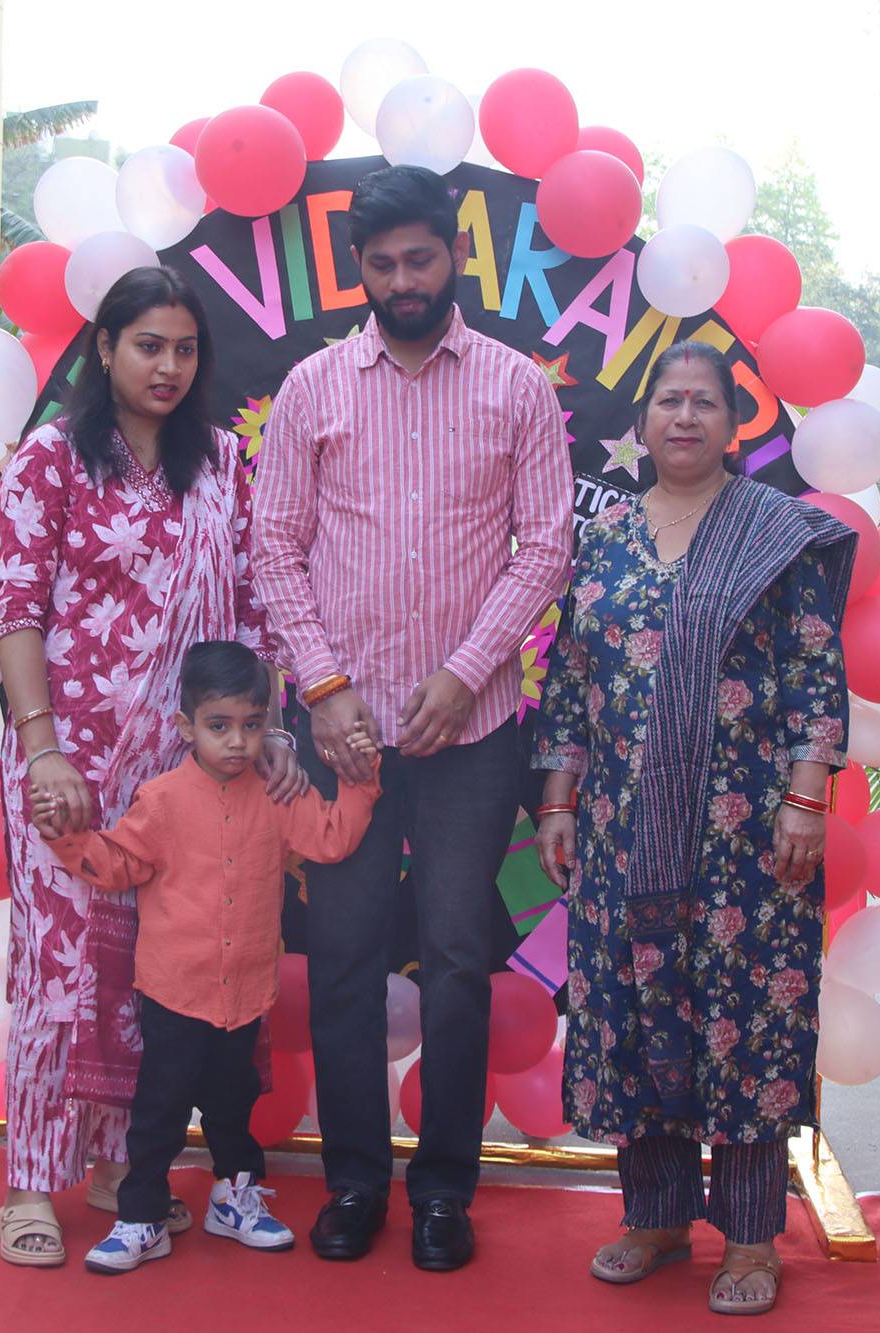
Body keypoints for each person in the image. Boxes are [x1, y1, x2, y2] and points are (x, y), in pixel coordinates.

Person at [251, 163, 573, 1272]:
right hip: (341, 736)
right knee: (342, 957)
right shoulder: (312, 387)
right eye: (382, 265)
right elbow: (274, 545)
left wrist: (467, 671)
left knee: (455, 958)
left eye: (420, 260)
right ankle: (352, 1183)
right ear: (360, 270)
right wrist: (326, 687)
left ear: (455, 256)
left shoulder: (516, 387)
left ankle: (442, 1191)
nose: (402, 281)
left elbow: (546, 545)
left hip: (471, 734)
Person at [0, 267, 307, 1268]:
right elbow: (14, 607)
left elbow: (251, 604)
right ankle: (27, 1183)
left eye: (184, 348)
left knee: (152, 978)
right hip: (70, 766)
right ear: (104, 349)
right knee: (59, 972)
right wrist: (42, 748)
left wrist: (267, 730)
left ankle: (119, 1171)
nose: (168, 366)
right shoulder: (51, 459)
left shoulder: (221, 462)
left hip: (188, 773)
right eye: (147, 345)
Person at [531, 342, 855, 1316]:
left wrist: (807, 796)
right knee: (634, 1019)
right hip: (620, 836)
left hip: (744, 839)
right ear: (643, 422)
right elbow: (571, 679)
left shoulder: (772, 533)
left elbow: (812, 666)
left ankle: (751, 1240)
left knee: (741, 1022)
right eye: (667, 400)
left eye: (703, 402)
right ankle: (656, 1217)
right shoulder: (607, 537)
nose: (683, 416)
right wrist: (557, 799)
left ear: (733, 423)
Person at [33, 640, 382, 1273]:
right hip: (173, 992)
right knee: (158, 1111)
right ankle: (142, 1216)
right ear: (185, 726)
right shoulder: (162, 799)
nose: (238, 742)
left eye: (251, 725)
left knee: (233, 1107)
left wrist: (361, 782)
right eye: (219, 726)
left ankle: (234, 1199)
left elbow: (331, 839)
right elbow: (117, 864)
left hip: (243, 995)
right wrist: (66, 836)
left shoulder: (279, 794)